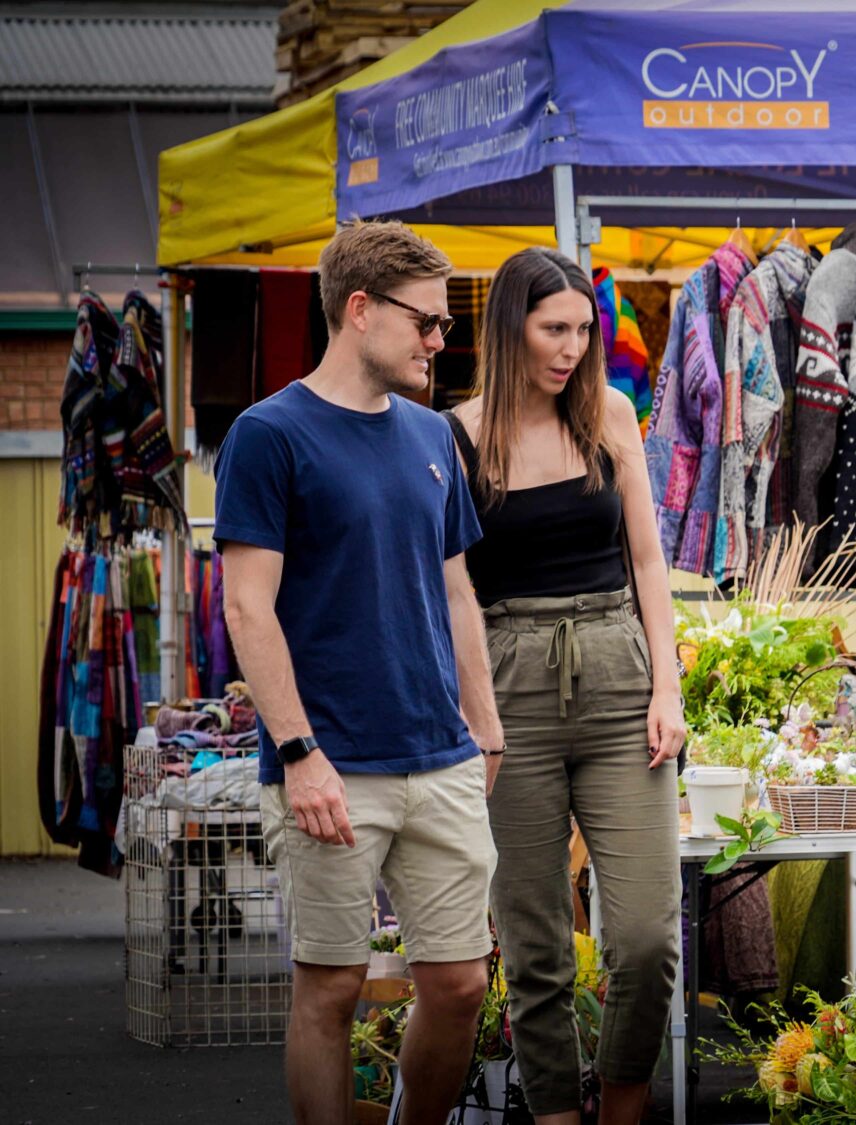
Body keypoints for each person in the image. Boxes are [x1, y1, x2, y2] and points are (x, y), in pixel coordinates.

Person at [216, 222, 504, 1125]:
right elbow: (246, 607)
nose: (438, 340)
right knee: (332, 988)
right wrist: (299, 752)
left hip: (441, 755)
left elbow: (457, 588)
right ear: (358, 309)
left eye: (444, 325)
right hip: (331, 764)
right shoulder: (269, 434)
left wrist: (484, 723)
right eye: (426, 321)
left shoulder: (431, 435)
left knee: (459, 983)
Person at [444, 247, 687, 1125]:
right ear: (511, 326)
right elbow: (454, 587)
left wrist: (670, 688)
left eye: (585, 329)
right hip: (511, 685)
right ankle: (553, 1112)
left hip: (622, 673)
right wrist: (474, 711)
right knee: (536, 940)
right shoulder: (457, 436)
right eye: (555, 329)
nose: (574, 348)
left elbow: (649, 561)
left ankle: (619, 1106)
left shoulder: (610, 413)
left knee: (646, 935)